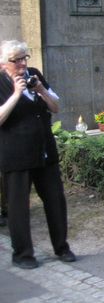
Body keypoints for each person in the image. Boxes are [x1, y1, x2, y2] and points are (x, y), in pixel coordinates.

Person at [0, 40, 76, 269]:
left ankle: (61, 247)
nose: (23, 64)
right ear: (4, 63)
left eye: (25, 58)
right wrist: (16, 94)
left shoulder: (34, 74)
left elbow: (56, 106)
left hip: (44, 151)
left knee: (55, 199)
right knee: (18, 206)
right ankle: (23, 254)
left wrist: (41, 90)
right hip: (16, 155)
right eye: (17, 60)